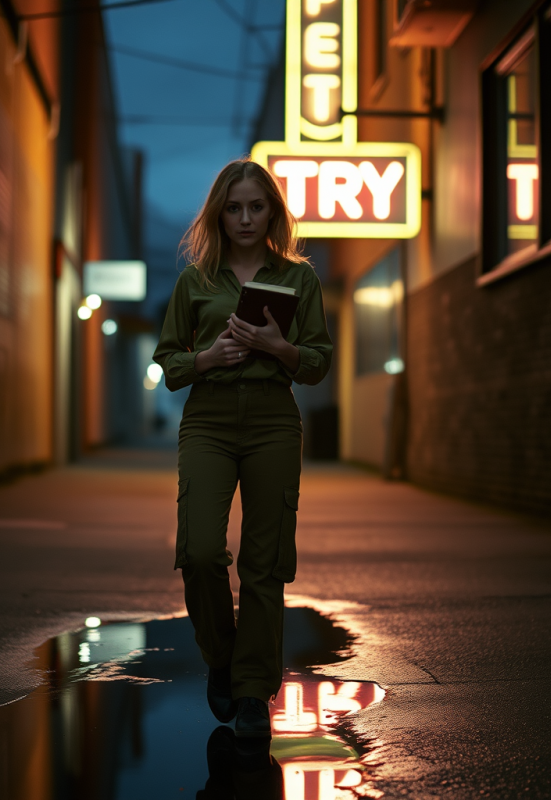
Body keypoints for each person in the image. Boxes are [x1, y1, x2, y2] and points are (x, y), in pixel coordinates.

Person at [152, 157, 332, 738]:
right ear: (218, 214)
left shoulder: (298, 279)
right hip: (207, 419)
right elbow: (169, 361)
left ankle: (253, 690)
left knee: (265, 562)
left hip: (273, 422)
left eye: (257, 206)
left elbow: (317, 363)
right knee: (201, 550)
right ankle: (221, 656)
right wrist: (206, 358)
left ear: (273, 212)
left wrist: (279, 347)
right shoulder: (195, 281)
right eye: (234, 208)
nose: (246, 218)